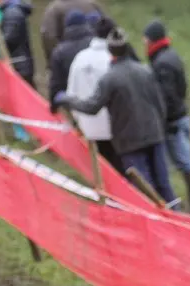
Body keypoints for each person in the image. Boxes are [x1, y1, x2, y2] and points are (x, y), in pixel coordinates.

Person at [55, 28, 179, 207]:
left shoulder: (109, 79)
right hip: (154, 134)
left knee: (144, 189)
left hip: (129, 141)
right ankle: (178, 218)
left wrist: (68, 99)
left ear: (110, 51)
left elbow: (91, 107)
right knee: (164, 184)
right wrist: (160, 126)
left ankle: (155, 225)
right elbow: (160, 103)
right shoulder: (145, 71)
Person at [144, 20, 190, 215]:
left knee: (183, 162)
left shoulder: (162, 63)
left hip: (173, 122)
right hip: (180, 116)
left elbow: (168, 96)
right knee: (185, 161)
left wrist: (166, 121)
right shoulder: (171, 56)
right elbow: (181, 89)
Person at [66, 18, 123, 173]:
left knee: (98, 172)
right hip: (114, 128)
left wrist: (78, 120)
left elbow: (72, 93)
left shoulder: (80, 58)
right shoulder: (114, 60)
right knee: (118, 171)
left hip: (88, 126)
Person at [48, 10, 93, 114]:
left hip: (74, 103)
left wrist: (53, 107)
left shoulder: (59, 51)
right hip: (100, 100)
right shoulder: (97, 43)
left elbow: (56, 83)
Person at [40, 0, 103, 65]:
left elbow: (48, 36)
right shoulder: (92, 4)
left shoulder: (54, 8)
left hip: (68, 61)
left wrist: (55, 60)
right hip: (97, 57)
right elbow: (107, 27)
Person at [0, 0, 36, 88]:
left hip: (19, 63)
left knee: (26, 93)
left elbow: (8, 38)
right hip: (22, 62)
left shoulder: (12, 14)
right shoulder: (13, 11)